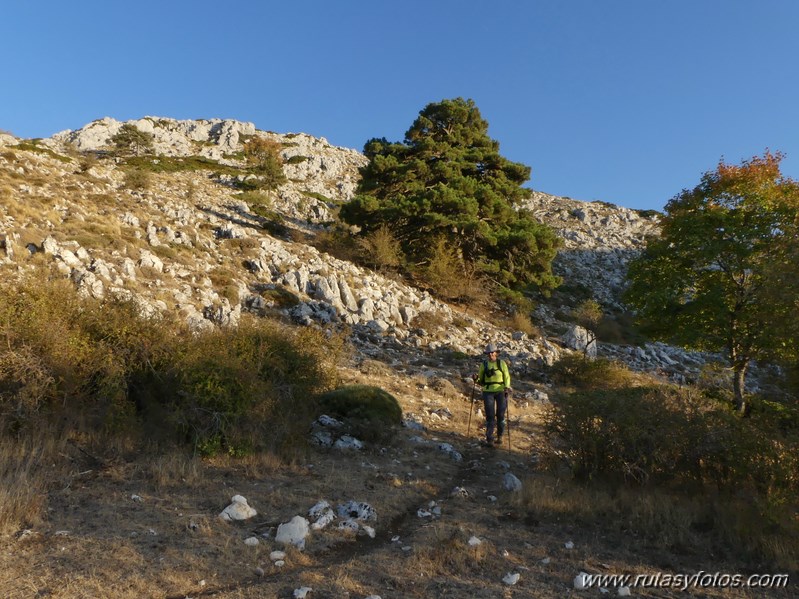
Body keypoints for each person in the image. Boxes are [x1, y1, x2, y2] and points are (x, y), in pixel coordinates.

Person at [472, 343, 512, 446]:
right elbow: (481, 380)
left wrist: (507, 387)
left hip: (501, 391)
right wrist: (476, 379)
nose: (490, 355)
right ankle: (489, 439)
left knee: (500, 415)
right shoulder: (483, 365)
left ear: (496, 353)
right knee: (490, 416)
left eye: (492, 353)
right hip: (488, 391)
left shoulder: (501, 363)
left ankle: (500, 436)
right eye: (488, 353)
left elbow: (506, 376)